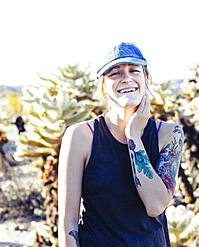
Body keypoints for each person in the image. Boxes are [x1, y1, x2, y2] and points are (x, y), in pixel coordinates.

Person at [58, 42, 184, 247]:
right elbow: (67, 222)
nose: (126, 78)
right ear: (102, 86)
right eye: (115, 73)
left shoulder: (169, 134)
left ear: (146, 79)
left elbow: (155, 206)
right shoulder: (80, 137)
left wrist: (133, 135)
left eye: (134, 70)